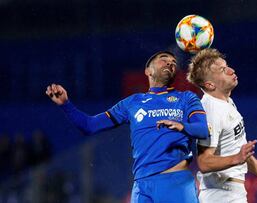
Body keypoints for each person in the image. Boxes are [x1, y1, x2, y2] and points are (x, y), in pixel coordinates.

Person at [45, 51, 208, 203]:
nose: (170, 63)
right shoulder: (132, 103)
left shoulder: (186, 98)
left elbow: (203, 129)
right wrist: (66, 104)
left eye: (173, 62)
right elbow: (90, 126)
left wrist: (181, 126)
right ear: (148, 71)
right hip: (142, 185)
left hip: (175, 181)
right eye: (164, 60)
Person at [187, 48, 257, 203]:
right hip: (221, 195)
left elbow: (241, 154)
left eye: (227, 66)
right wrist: (237, 158)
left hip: (230, 193)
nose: (231, 71)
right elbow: (204, 162)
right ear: (210, 84)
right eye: (223, 70)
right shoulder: (211, 111)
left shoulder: (226, 103)